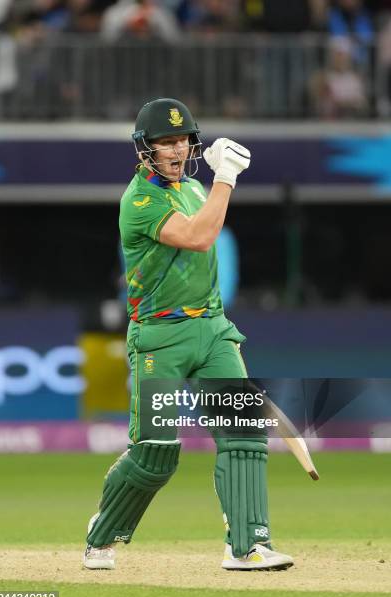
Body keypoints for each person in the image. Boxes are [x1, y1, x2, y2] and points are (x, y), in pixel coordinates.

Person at [83, 97, 293, 571]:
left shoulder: (196, 188)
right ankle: (102, 535)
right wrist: (227, 179)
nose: (177, 149)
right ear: (145, 150)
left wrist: (216, 185)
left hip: (213, 332)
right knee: (157, 453)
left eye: (183, 139)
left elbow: (207, 231)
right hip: (160, 339)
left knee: (244, 435)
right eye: (165, 142)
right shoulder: (139, 202)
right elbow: (198, 237)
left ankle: (248, 545)